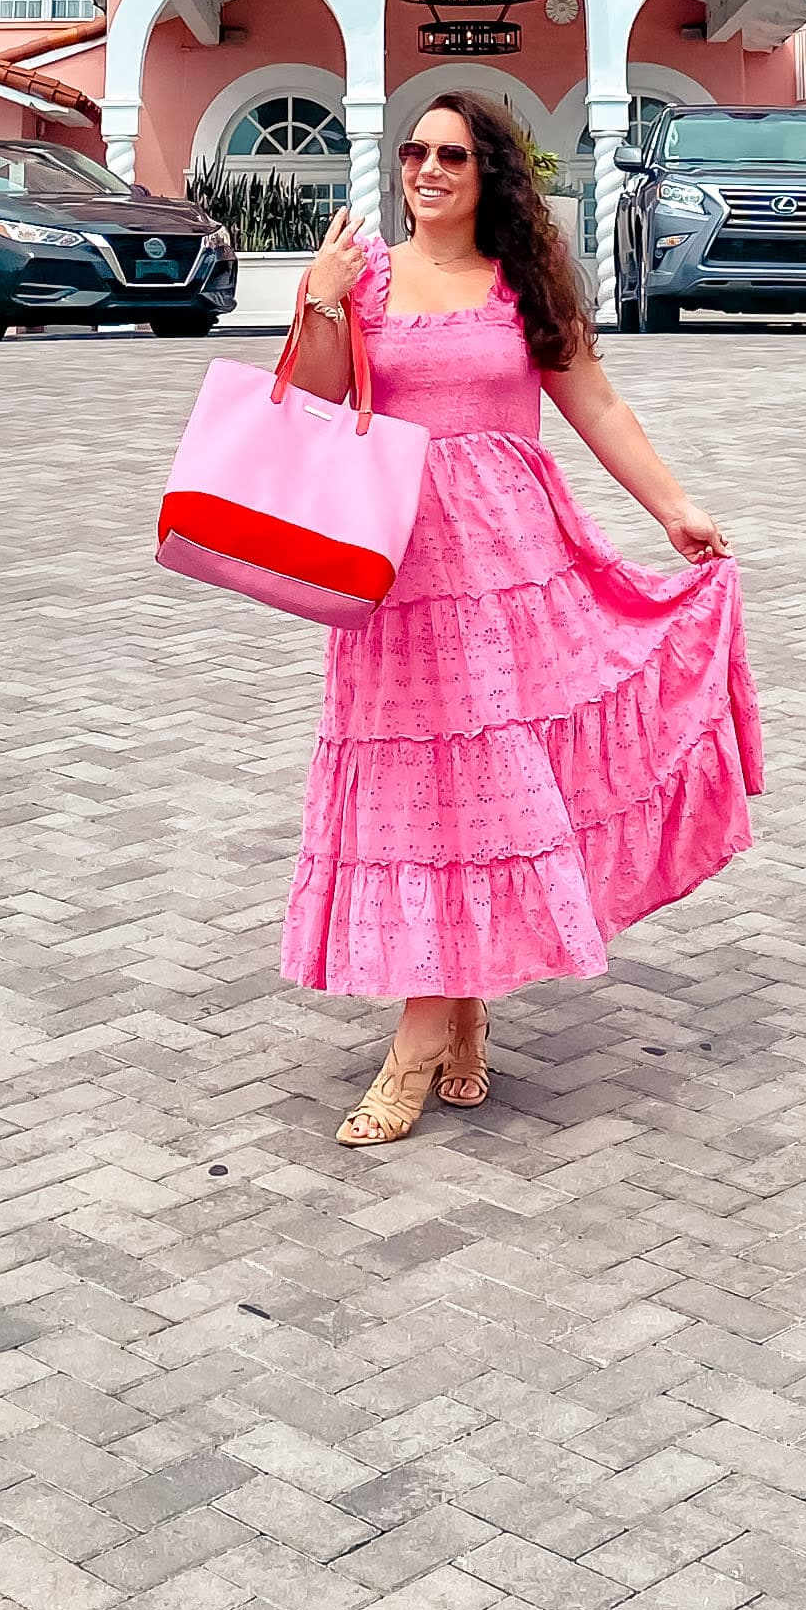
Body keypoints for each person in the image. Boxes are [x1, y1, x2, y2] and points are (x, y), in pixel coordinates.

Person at [280, 85, 762, 1147]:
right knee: (418, 787)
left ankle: (421, 1034)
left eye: (452, 155)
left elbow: (594, 401)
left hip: (513, 574)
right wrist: (318, 298)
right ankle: (456, 1010)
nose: (428, 171)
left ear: (490, 172)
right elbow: (313, 404)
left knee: (495, 782)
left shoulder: (519, 283)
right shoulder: (363, 276)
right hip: (399, 578)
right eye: (415, 153)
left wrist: (676, 507)